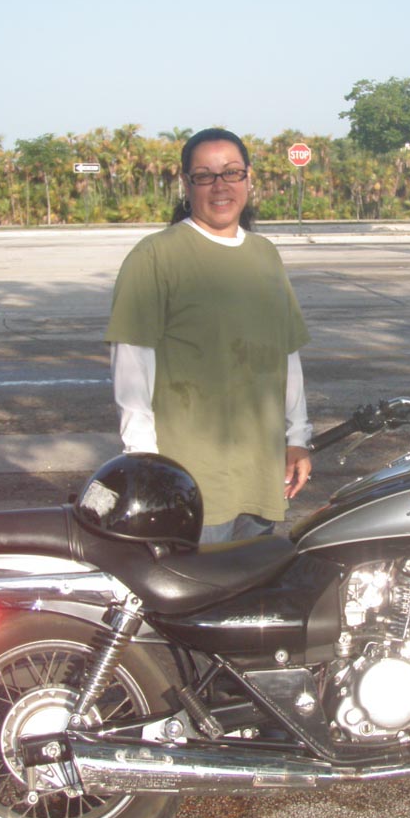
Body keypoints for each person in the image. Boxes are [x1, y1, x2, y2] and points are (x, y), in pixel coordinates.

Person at [105, 127, 312, 544]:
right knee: (195, 582)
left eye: (232, 172)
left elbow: (286, 356)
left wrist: (297, 438)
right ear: (186, 184)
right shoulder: (155, 256)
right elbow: (131, 368)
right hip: (190, 481)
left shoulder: (265, 255)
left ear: (249, 178)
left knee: (253, 581)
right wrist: (146, 464)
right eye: (205, 175)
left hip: (262, 474)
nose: (220, 186)